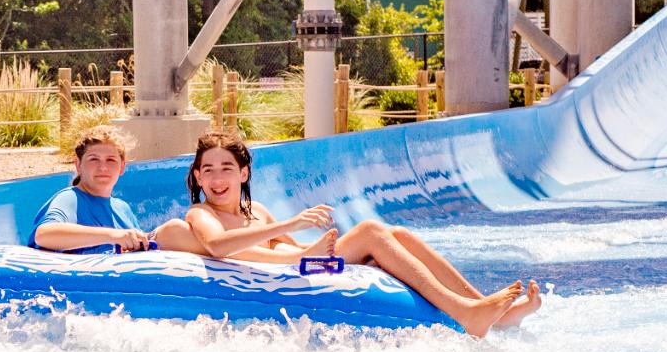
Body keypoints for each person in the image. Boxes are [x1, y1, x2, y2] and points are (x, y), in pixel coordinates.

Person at [177, 131, 543, 337]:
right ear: (196, 177)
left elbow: (294, 251)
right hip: (281, 279)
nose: (217, 178)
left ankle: (489, 309)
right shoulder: (201, 213)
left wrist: (311, 246)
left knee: (397, 233)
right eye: (207, 170)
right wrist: (290, 225)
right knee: (369, 230)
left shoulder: (257, 212)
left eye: (227, 168)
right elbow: (216, 244)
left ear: (243, 175)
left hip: (297, 267)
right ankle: (464, 312)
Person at [29, 125, 196, 254]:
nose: (103, 167)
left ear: (122, 167)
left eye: (111, 160)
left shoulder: (122, 208)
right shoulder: (70, 199)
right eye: (94, 159)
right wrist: (113, 236)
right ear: (78, 165)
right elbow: (44, 235)